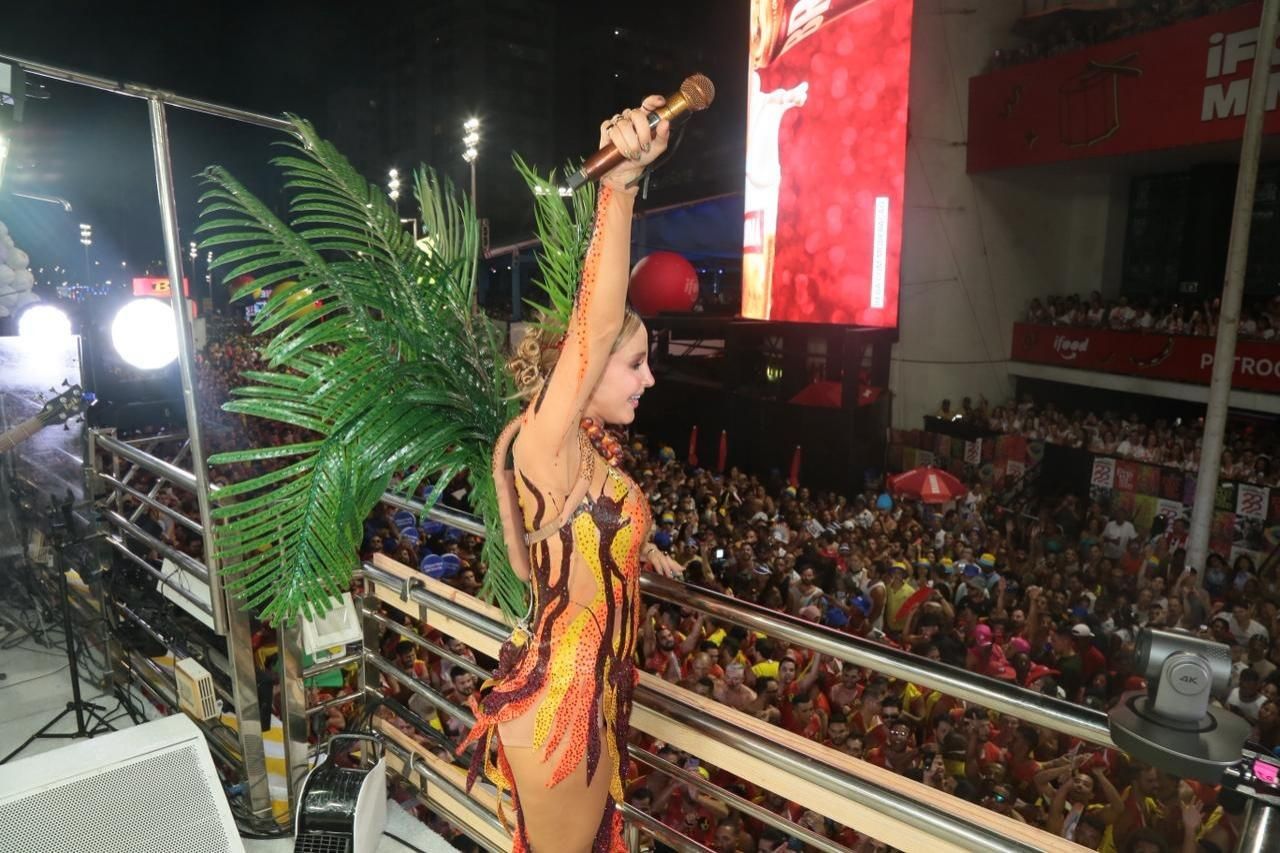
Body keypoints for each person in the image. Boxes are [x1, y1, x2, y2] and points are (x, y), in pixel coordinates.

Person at [457, 97, 685, 853]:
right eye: (635, 363)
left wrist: (641, 550)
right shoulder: (545, 443)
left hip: (590, 695)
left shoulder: (587, 454)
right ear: (582, 375)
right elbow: (596, 322)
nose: (649, 379)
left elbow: (580, 543)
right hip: (562, 704)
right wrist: (619, 188)